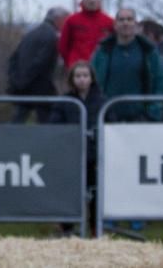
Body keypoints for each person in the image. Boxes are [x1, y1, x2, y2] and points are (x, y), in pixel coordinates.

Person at [48, 60, 104, 237]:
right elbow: (55, 123)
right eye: (78, 76)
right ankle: (67, 228)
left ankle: (95, 228)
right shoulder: (65, 101)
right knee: (69, 191)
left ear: (91, 78)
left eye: (85, 75)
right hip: (71, 155)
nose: (82, 79)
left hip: (94, 155)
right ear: (72, 79)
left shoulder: (101, 100)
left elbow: (109, 121)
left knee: (95, 192)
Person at [92, 8, 163, 123]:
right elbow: (92, 83)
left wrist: (151, 114)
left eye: (129, 19)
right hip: (107, 119)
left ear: (136, 25)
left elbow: (160, 84)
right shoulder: (103, 51)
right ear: (115, 25)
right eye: (121, 19)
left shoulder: (148, 51)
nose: (125, 23)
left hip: (141, 120)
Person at [8, 6, 70, 123]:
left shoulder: (30, 33)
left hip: (23, 86)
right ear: (58, 19)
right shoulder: (51, 36)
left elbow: (14, 58)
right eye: (66, 19)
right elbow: (41, 62)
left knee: (17, 122)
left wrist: (16, 80)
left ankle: (8, 140)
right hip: (40, 88)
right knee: (47, 123)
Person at [58, 0, 114, 68]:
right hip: (77, 69)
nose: (92, 0)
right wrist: (71, 64)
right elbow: (63, 46)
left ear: (100, 0)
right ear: (83, 0)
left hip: (101, 68)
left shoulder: (109, 22)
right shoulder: (72, 20)